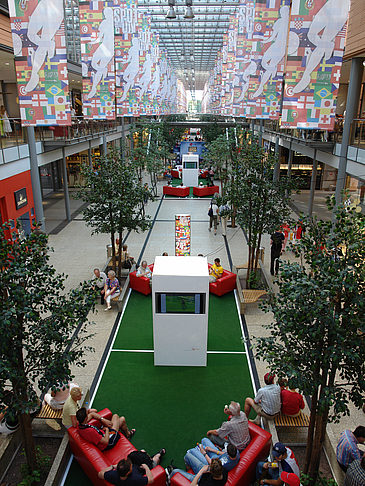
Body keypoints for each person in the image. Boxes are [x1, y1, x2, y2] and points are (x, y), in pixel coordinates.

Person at [170, 442, 239, 481]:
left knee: (175, 471)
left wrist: (200, 472)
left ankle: (168, 481)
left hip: (200, 477)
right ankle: (189, 468)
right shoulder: (224, 474)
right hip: (206, 470)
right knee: (188, 455)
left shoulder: (208, 483)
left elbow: (194, 484)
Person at [99, 450, 166, 485]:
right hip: (142, 469)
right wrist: (146, 468)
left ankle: (151, 457)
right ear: (128, 472)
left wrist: (112, 466)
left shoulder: (112, 475)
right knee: (155, 459)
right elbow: (151, 480)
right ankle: (158, 455)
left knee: (142, 452)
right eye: (130, 466)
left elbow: (100, 474)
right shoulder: (135, 479)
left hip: (137, 466)